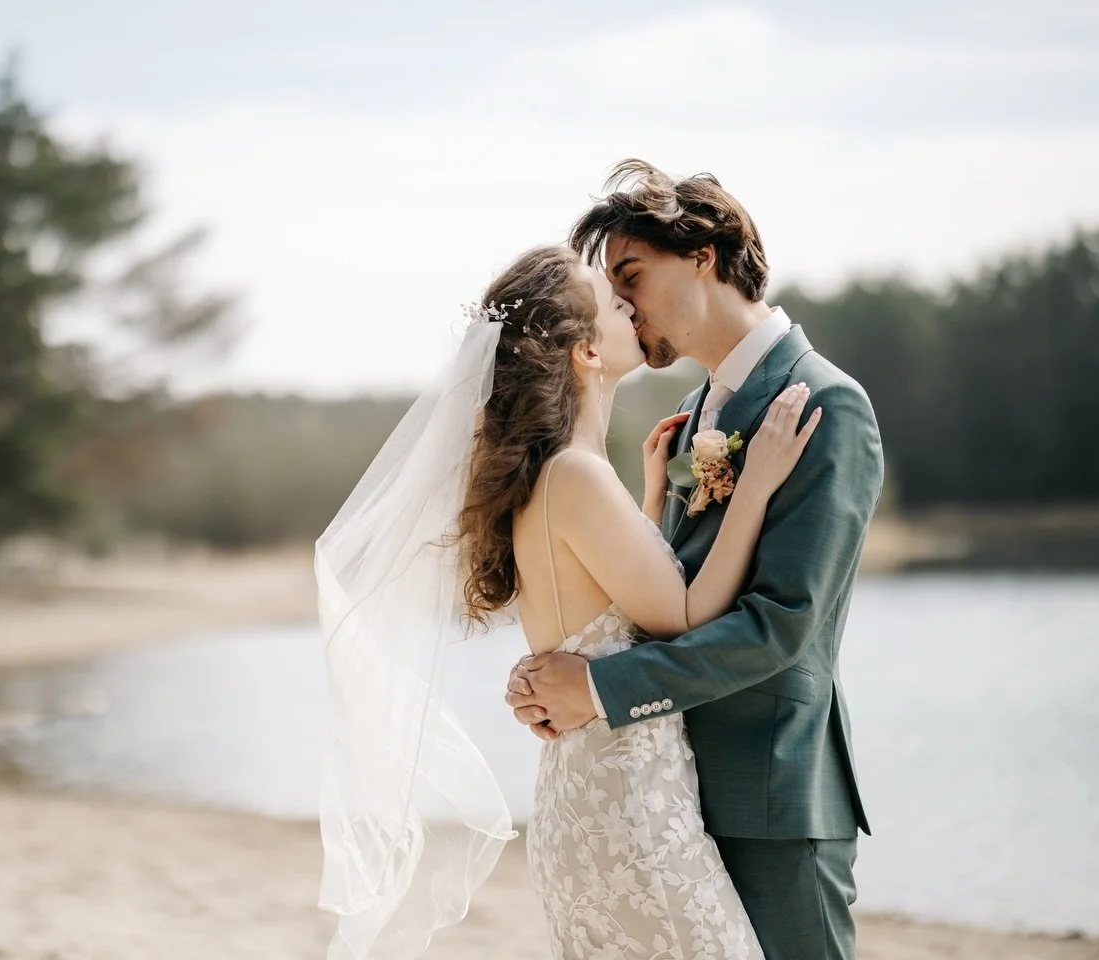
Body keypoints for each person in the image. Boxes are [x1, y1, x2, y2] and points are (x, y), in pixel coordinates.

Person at [318, 232, 820, 957]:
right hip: (630, 811)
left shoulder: (558, 477)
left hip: (589, 801)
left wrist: (651, 501)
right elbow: (682, 614)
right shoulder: (576, 477)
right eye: (616, 302)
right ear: (586, 351)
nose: (634, 307)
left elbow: (609, 601)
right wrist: (761, 482)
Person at [506, 160, 884, 960]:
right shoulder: (687, 417)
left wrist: (599, 689)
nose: (624, 307)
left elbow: (780, 626)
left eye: (632, 277)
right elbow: (658, 597)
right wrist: (557, 674)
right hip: (664, 793)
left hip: (769, 795)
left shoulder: (824, 404)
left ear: (704, 253)